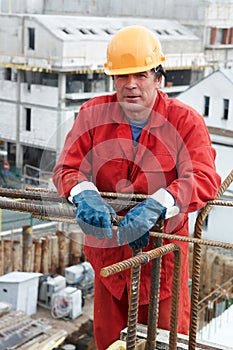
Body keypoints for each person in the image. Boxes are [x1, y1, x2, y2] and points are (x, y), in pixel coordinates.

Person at [53, 25, 221, 349]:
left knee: (165, 344)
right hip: (108, 263)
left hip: (162, 267)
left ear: (159, 79)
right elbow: (67, 168)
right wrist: (83, 192)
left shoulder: (185, 121)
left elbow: (203, 175)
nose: (131, 85)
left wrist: (161, 202)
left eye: (141, 75)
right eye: (122, 76)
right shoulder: (92, 114)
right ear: (112, 80)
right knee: (108, 342)